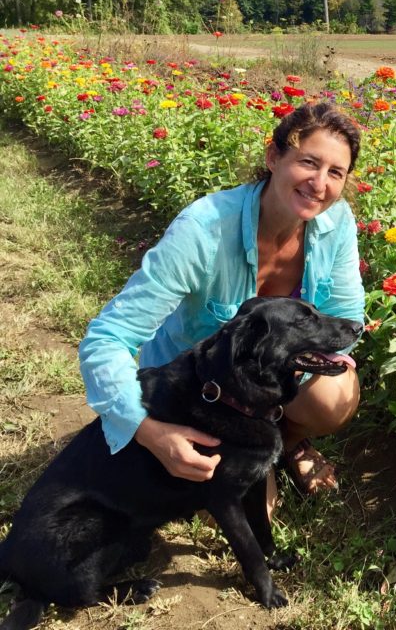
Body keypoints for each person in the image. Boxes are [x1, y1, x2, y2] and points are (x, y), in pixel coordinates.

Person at [78, 101, 365, 512]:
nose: (320, 183)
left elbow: (345, 317)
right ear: (273, 157)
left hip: (265, 379)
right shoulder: (203, 229)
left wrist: (293, 369)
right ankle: (250, 445)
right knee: (251, 510)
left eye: (335, 172)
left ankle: (283, 439)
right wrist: (147, 430)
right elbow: (108, 338)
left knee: (334, 396)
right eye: (308, 162)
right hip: (199, 391)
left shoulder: (335, 223)